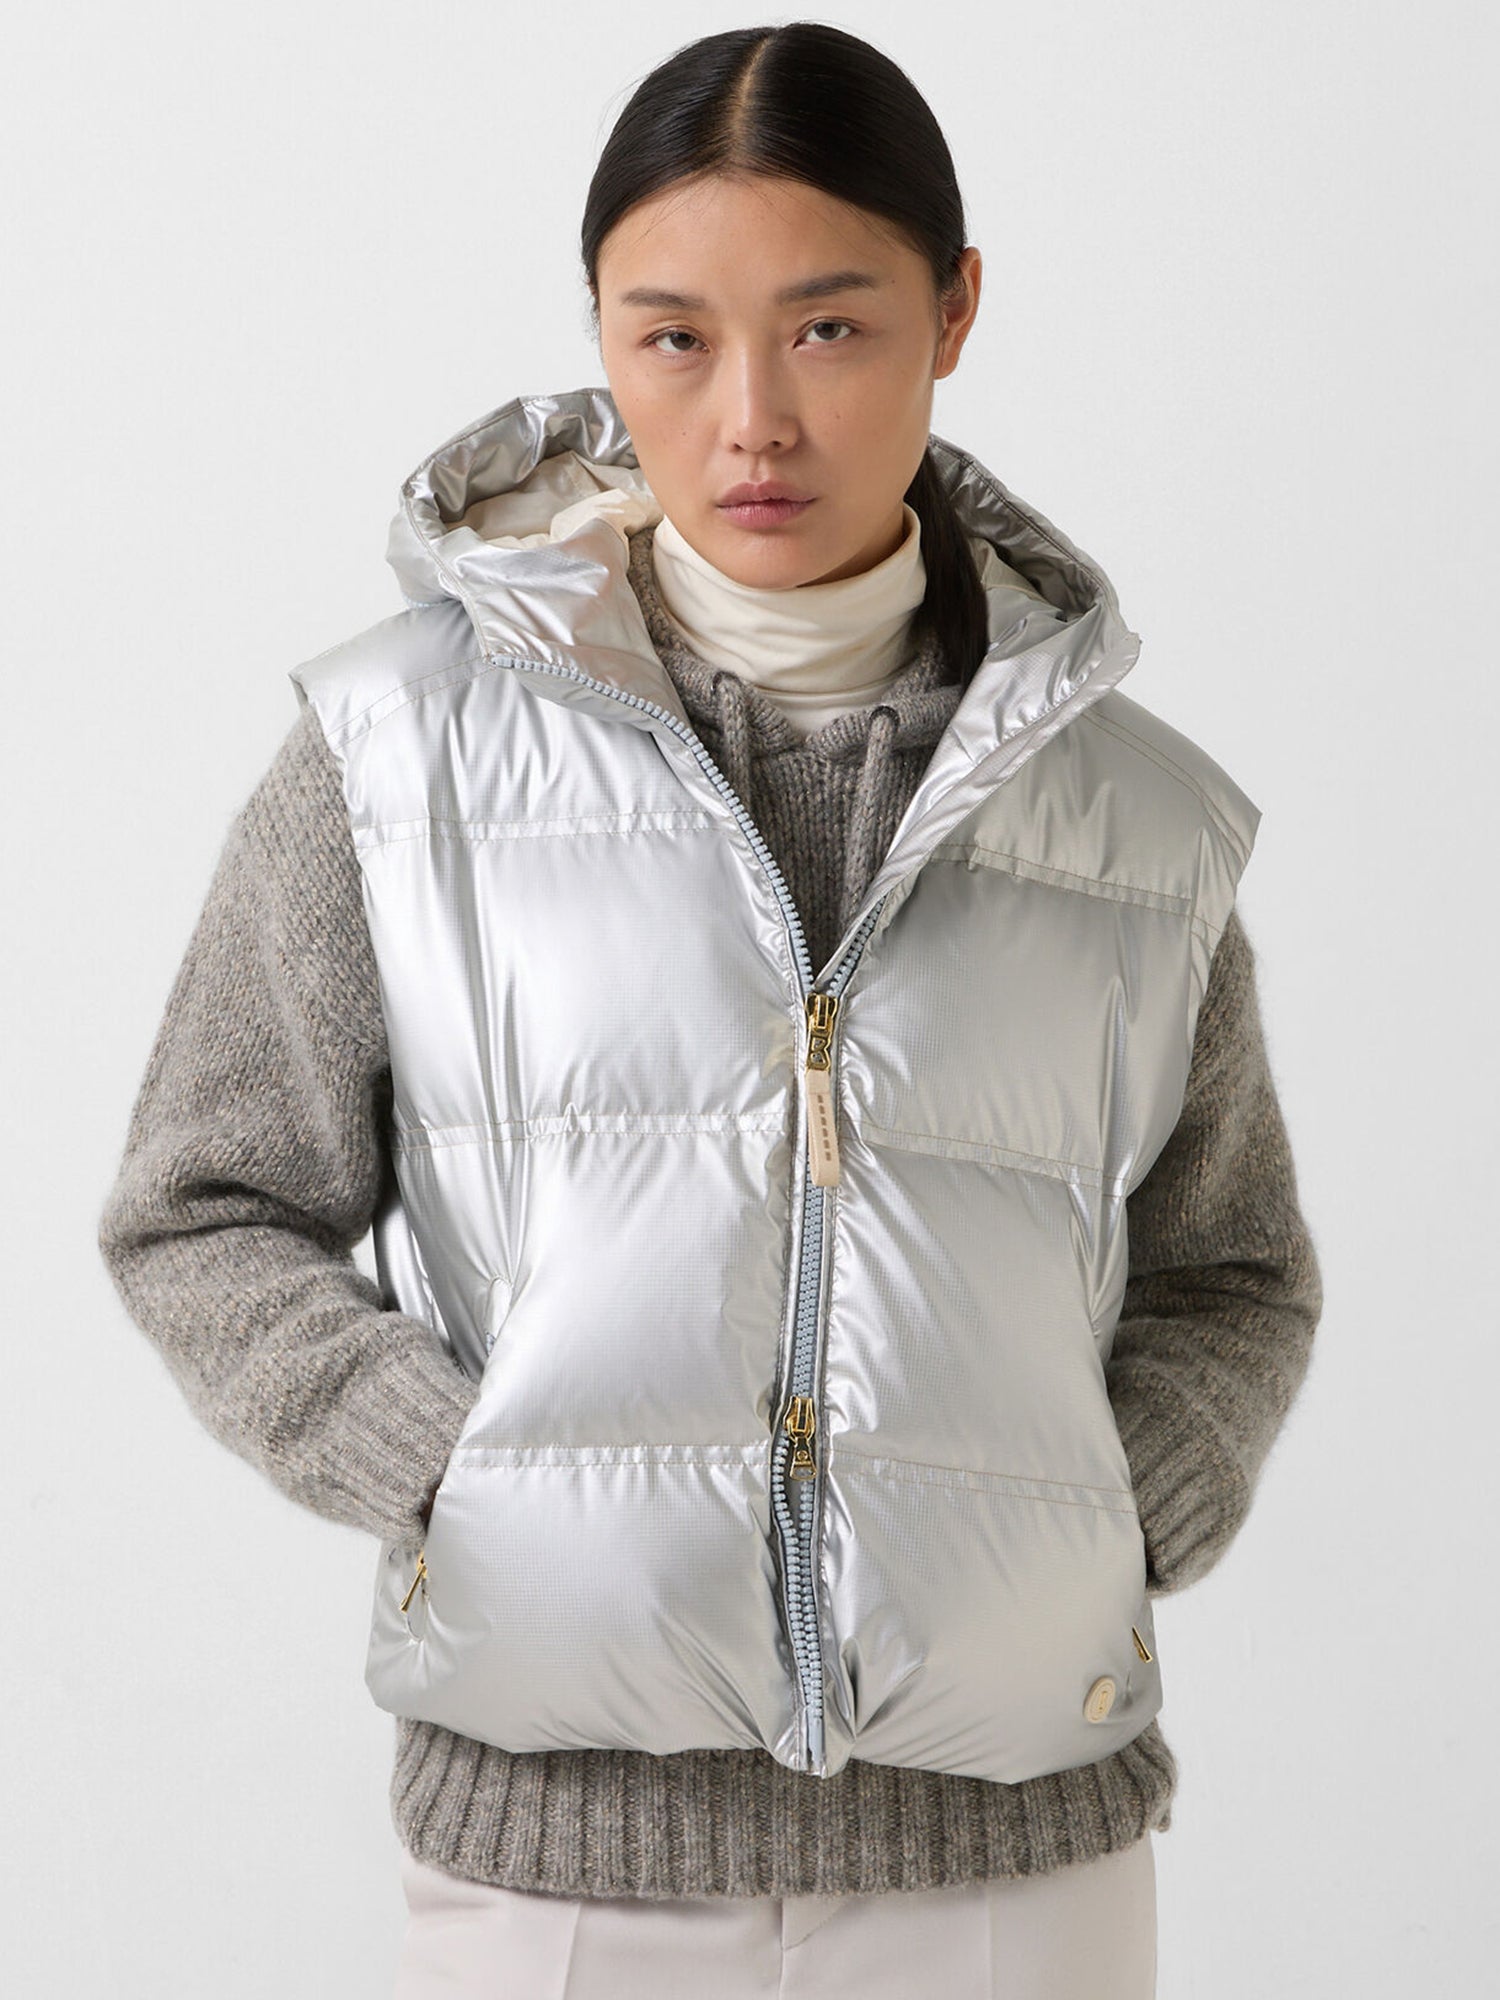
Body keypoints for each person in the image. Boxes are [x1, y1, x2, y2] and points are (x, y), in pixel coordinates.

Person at [97, 21, 1324, 1998]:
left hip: (1014, 1864)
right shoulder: (397, 761)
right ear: (601, 332)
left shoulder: (1132, 820)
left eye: (829, 329)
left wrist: (1122, 1504)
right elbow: (201, 1203)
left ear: (954, 311)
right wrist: (448, 1468)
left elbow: (1232, 1267)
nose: (753, 416)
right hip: (561, 1866)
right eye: (671, 338)